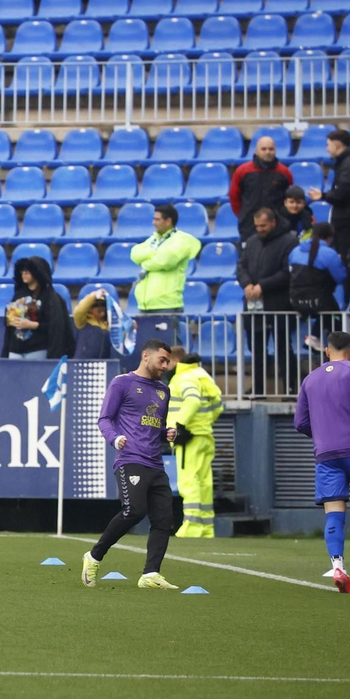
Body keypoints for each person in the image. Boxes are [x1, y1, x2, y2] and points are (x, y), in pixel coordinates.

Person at [81, 339, 182, 590]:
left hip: (155, 463)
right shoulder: (122, 383)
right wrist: (115, 438)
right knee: (134, 511)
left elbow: (153, 427)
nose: (166, 366)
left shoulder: (163, 390)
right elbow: (104, 418)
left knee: (163, 519)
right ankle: (94, 556)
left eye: (168, 361)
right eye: (162, 360)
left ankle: (150, 574)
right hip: (130, 460)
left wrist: (166, 434)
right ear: (146, 356)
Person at [294, 331, 350, 593]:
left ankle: (338, 567)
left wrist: (323, 432)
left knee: (333, 512)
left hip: (326, 454)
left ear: (327, 351)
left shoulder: (310, 379)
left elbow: (300, 422)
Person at [238, 206, 297, 395]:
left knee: (283, 348)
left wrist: (263, 286)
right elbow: (241, 267)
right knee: (256, 349)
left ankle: (289, 388)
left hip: (279, 304)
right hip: (254, 307)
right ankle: (258, 389)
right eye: (257, 226)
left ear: (273, 222)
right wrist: (247, 283)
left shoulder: (289, 241)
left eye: (263, 226)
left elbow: (288, 272)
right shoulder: (252, 241)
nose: (259, 229)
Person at [165, 347, 222, 538]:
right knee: (204, 482)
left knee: (189, 481)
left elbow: (193, 401)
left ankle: (192, 526)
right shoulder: (202, 374)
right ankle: (206, 527)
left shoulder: (183, 377)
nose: (165, 367)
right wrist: (205, 423)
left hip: (189, 437)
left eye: (167, 362)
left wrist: (178, 425)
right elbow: (217, 405)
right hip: (204, 434)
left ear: (176, 361)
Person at [129, 204, 200, 351]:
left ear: (168, 221)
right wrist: (154, 253)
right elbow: (135, 254)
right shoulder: (154, 239)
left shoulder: (182, 239)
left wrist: (146, 262)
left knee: (170, 349)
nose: (153, 222)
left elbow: (166, 260)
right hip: (145, 305)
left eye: (157, 219)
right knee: (148, 350)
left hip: (167, 304)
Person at [306, 128, 350, 273]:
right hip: (347, 221)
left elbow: (342, 194)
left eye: (328, 145)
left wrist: (323, 196)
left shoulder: (349, 166)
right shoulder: (346, 163)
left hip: (349, 224)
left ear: (336, 144)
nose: (327, 149)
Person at [2, 256, 74, 359]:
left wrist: (32, 325)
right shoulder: (18, 294)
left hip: (37, 349)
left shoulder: (50, 297)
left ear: (37, 273)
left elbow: (56, 327)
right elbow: (8, 324)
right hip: (15, 349)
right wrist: (11, 320)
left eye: (27, 272)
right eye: (22, 271)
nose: (24, 274)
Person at [229, 135, 294, 241]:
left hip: (277, 226)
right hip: (249, 225)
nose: (267, 152)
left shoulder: (284, 172)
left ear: (275, 151)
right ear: (256, 151)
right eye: (263, 149)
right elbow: (234, 196)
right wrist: (244, 215)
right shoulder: (242, 171)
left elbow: (289, 197)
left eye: (271, 149)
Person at [290, 222, 348, 333]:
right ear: (330, 237)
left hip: (295, 300)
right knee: (335, 320)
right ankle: (315, 337)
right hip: (319, 302)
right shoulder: (329, 253)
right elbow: (340, 278)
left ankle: (314, 337)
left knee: (328, 315)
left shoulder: (295, 250)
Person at [72, 288, 112, 360]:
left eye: (103, 305)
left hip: (103, 363)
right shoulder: (83, 322)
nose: (101, 308)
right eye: (97, 306)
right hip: (82, 362)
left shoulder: (109, 324)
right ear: (90, 309)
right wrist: (94, 296)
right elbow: (79, 311)